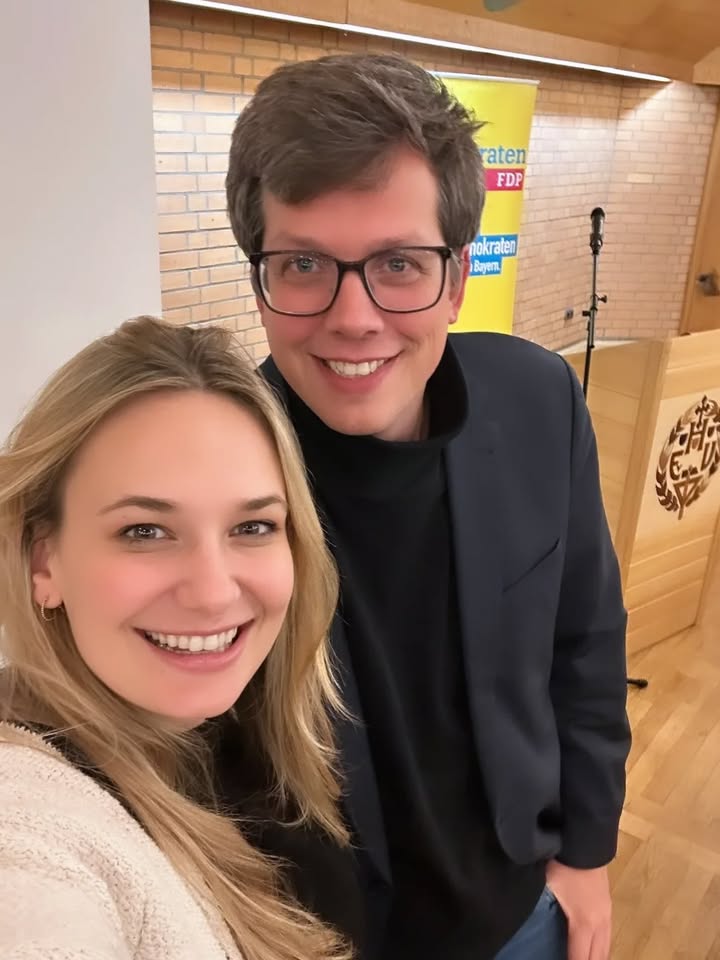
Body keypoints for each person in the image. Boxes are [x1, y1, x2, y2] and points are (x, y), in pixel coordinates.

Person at [225, 52, 631, 960]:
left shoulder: (539, 399)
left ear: (455, 279)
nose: (354, 316)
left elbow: (586, 641)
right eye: (303, 264)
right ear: (261, 279)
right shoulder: (214, 466)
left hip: (528, 909)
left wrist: (588, 853)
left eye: (400, 264)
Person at [0, 317, 354, 960]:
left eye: (252, 526)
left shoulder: (247, 738)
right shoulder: (30, 831)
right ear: (41, 560)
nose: (213, 593)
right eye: (144, 531)